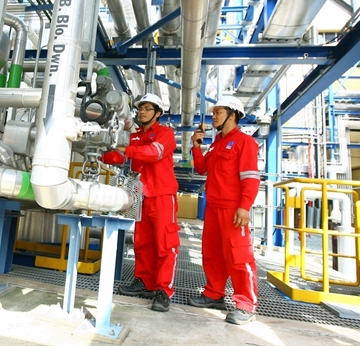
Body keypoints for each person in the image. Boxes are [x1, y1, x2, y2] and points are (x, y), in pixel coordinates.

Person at [102, 93, 180, 312]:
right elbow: (119, 157)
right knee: (142, 243)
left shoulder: (165, 134)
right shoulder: (134, 137)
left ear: (158, 113)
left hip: (162, 195)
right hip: (140, 196)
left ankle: (164, 290)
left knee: (165, 244)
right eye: (140, 109)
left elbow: (153, 153)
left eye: (147, 108)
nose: (142, 112)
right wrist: (98, 151)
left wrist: (125, 149)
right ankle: (145, 282)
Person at [188, 96, 260, 325]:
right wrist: (196, 147)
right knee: (212, 254)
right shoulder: (216, 144)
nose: (214, 116)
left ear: (233, 115)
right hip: (213, 207)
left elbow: (251, 178)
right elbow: (202, 169)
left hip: (233, 209)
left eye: (218, 112)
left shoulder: (245, 142)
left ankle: (246, 305)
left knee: (239, 256)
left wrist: (244, 207)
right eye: (214, 112)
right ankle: (214, 294)